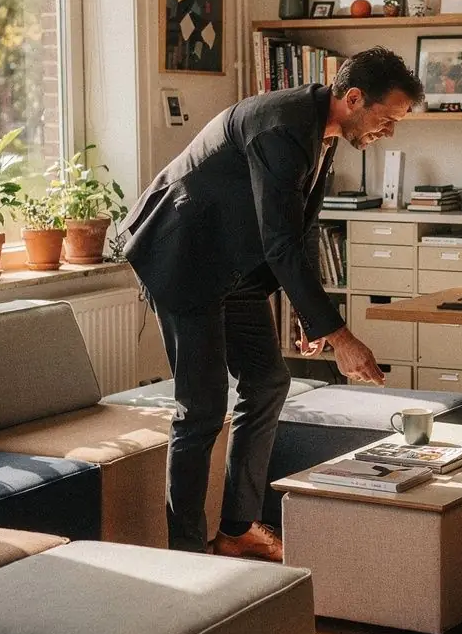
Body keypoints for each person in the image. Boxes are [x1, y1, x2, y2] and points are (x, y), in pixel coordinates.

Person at [122, 47, 424, 561]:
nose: (389, 132)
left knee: (267, 382)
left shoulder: (324, 131)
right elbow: (280, 243)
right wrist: (339, 336)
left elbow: (301, 229)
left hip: (233, 264)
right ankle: (186, 555)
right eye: (386, 119)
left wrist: (311, 315)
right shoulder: (282, 127)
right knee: (202, 407)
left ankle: (236, 530)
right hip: (181, 258)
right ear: (354, 98)